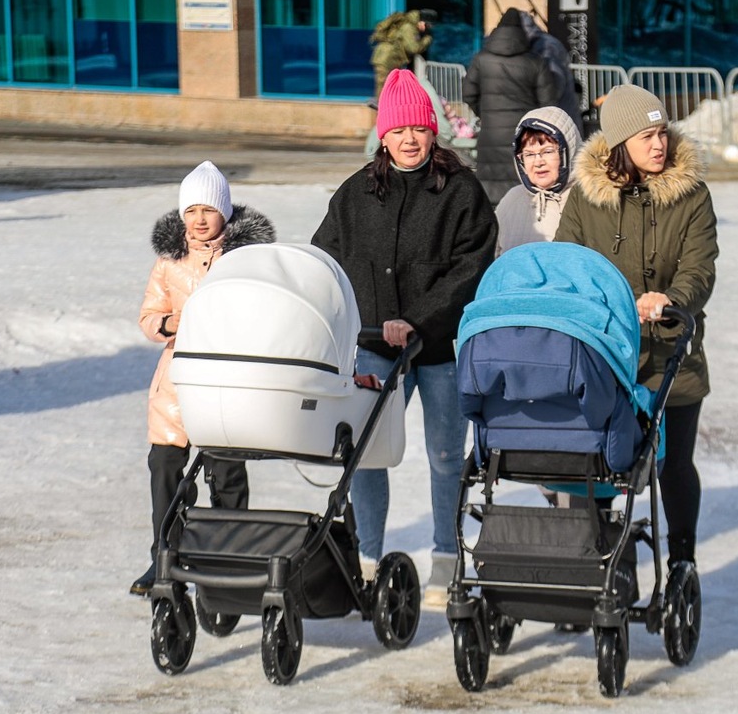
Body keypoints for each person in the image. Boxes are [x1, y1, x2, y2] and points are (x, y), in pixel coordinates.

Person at [310, 69, 497, 609]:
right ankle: (367, 555)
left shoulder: (460, 191)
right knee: (367, 454)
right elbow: (326, 261)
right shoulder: (356, 193)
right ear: (383, 136)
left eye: (418, 128)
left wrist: (418, 319)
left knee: (445, 454)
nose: (409, 139)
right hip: (374, 347)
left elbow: (471, 267)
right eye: (398, 130)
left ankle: (446, 556)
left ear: (433, 131)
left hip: (438, 349)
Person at [554, 84, 718, 570]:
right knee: (601, 463)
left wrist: (672, 300)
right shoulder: (587, 198)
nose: (659, 144)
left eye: (662, 132)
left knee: (674, 463)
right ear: (620, 144)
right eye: (646, 137)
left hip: (670, 351)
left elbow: (699, 267)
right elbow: (569, 264)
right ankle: (605, 562)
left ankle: (682, 557)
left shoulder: (691, 194)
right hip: (607, 354)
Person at [131, 161, 277, 596]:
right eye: (191, 210)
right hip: (176, 381)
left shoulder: (246, 259)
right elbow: (149, 316)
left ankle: (229, 555)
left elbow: (264, 312)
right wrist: (170, 323)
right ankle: (164, 553)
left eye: (208, 210)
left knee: (226, 469)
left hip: (226, 379)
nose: (199, 220)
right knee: (164, 466)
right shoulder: (169, 260)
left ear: (225, 213)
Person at [463, 7, 563, 204]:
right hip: (524, 137)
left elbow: (468, 93)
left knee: (490, 195)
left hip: (490, 135)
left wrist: (486, 115)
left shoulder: (481, 60)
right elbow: (548, 104)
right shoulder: (535, 62)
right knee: (523, 194)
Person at [494, 105, 581, 255]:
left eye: (547, 151)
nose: (538, 162)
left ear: (567, 152)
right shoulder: (511, 201)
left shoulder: (583, 200)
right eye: (529, 154)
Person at [518, 10, 584, 137]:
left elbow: (554, 86)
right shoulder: (542, 43)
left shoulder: (545, 47)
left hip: (560, 120)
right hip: (559, 118)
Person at [370, 9, 436, 104]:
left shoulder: (410, 26)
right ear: (422, 22)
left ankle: (382, 105)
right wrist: (427, 40)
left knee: (388, 86)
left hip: (389, 59)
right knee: (384, 87)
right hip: (386, 59)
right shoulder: (409, 28)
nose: (428, 29)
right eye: (428, 25)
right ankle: (381, 107)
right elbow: (413, 48)